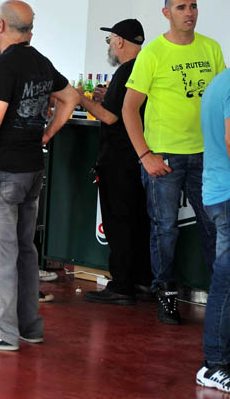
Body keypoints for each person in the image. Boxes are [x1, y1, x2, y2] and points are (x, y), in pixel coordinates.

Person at [0, 1, 78, 351]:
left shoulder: (4, 65)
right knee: (25, 250)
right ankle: (28, 326)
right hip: (32, 169)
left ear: (1, 26)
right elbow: (71, 98)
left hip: (3, 171)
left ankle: (1, 330)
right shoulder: (41, 62)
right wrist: (46, 133)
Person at [123, 0, 226, 325]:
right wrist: (145, 155)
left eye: (193, 6)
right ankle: (166, 294)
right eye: (181, 7)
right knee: (165, 229)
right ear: (166, 13)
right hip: (164, 155)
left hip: (206, 155)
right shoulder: (153, 53)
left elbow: (222, 100)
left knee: (214, 227)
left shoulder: (211, 48)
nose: (189, 13)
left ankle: (221, 296)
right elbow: (129, 108)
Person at [76, 19, 152, 305]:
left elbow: (110, 117)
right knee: (138, 221)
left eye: (110, 40)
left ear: (119, 41)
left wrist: (81, 99)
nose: (109, 46)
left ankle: (121, 285)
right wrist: (105, 98)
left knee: (119, 223)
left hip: (119, 159)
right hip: (140, 158)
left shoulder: (125, 71)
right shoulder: (145, 68)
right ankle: (142, 280)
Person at [195, 68, 230, 392]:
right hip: (227, 195)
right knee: (226, 279)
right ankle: (214, 364)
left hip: (218, 191)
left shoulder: (219, 82)